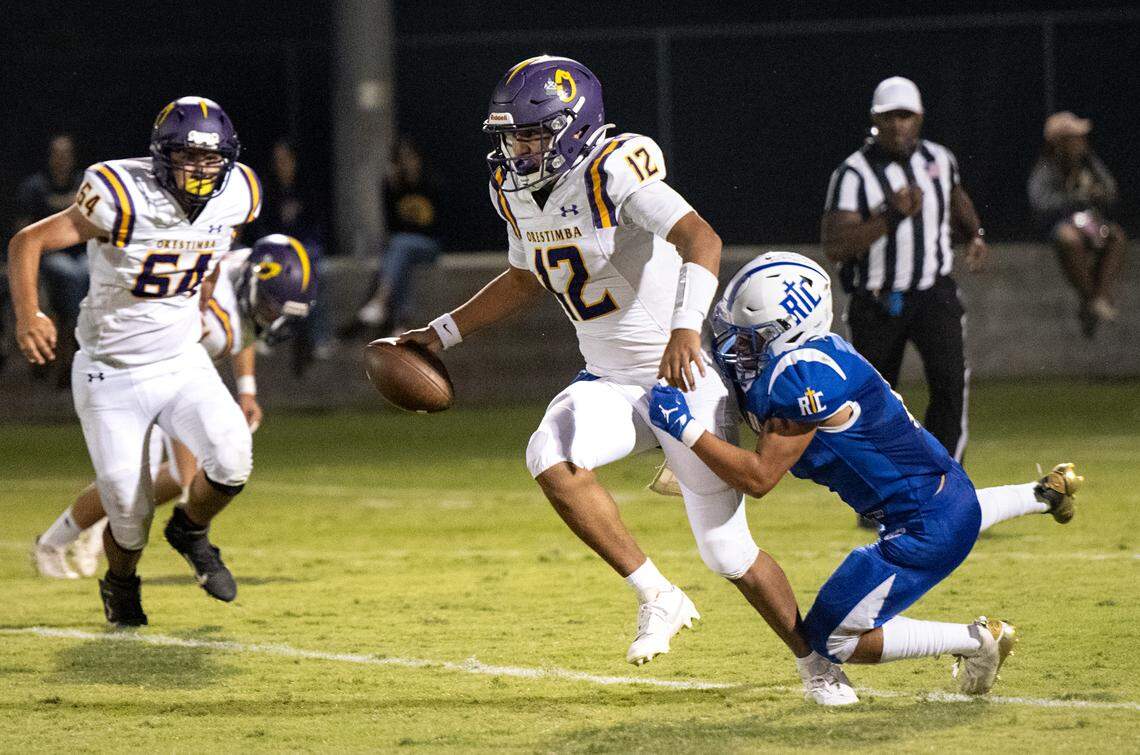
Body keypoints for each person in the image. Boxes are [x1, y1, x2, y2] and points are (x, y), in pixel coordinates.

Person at [397, 55, 855, 702]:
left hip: (681, 373)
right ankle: (657, 594)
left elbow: (701, 239)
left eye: (532, 134)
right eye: (511, 136)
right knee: (549, 454)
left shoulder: (613, 168)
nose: (517, 149)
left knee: (727, 554)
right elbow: (526, 278)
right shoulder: (513, 189)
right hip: (609, 379)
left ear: (575, 127)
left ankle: (818, 666)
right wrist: (441, 332)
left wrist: (686, 329)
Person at [648, 251, 1083, 699]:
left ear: (787, 331)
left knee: (832, 639)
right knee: (957, 509)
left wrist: (686, 428)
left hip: (921, 528)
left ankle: (979, 641)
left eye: (750, 338)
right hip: (942, 493)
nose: (736, 349)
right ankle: (1043, 495)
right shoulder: (815, 355)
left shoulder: (802, 378)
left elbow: (759, 478)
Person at [8, 96, 263, 626]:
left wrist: (203, 293)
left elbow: (213, 251)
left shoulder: (240, 192)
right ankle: (121, 582)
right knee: (128, 509)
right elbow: (27, 241)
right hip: (110, 372)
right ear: (162, 155)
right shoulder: (120, 194)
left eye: (211, 158)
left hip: (181, 361)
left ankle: (190, 530)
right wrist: (29, 314)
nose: (200, 169)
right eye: (187, 156)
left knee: (234, 455)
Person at [32, 235, 317, 580]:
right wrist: (189, 468)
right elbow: (184, 377)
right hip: (134, 376)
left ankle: (78, 532)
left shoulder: (241, 270)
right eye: (272, 309)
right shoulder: (215, 319)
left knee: (139, 482)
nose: (275, 319)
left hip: (162, 372)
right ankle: (54, 543)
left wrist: (247, 390)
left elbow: (246, 330)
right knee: (158, 479)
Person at [821, 77, 988, 466]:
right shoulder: (853, 174)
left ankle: (944, 478)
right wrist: (890, 216)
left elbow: (956, 196)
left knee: (950, 385)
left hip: (934, 292)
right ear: (875, 119)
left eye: (906, 116)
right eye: (890, 117)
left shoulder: (939, 160)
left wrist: (974, 233)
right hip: (877, 299)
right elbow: (836, 245)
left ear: (920, 118)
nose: (899, 125)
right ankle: (879, 484)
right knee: (870, 398)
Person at [1028, 111, 1127, 338]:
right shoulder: (1046, 167)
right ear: (1059, 142)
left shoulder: (1089, 162)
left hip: (1088, 222)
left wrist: (1098, 194)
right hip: (1058, 225)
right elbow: (1040, 203)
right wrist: (1076, 199)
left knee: (1115, 236)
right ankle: (1091, 298)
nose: (1081, 142)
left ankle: (1100, 296)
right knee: (1069, 239)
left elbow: (1110, 190)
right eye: (1074, 138)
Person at [341, 136, 442, 339]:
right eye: (402, 159)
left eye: (410, 157)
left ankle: (379, 301)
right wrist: (392, 190)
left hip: (429, 246)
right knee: (401, 261)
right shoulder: (395, 187)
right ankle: (401, 322)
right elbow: (391, 228)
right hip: (402, 247)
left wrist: (409, 234)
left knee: (399, 248)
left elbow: (435, 226)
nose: (407, 163)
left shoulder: (431, 183)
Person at [13, 134, 87, 387]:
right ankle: (64, 351)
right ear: (49, 157)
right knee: (69, 276)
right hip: (49, 257)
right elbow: (23, 234)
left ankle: (75, 347)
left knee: (86, 271)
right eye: (57, 153)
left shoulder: (84, 183)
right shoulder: (35, 187)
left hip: (83, 254)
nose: (62, 159)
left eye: (67, 154)